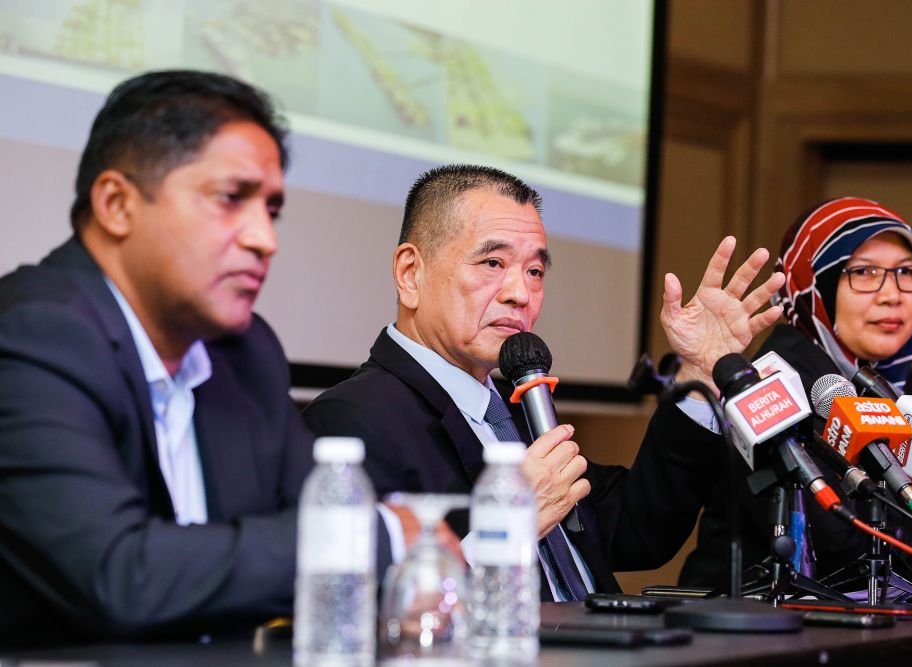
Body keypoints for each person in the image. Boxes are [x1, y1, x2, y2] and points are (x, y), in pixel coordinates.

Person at [0, 70, 400, 642]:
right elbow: (121, 576)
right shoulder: (32, 335)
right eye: (230, 199)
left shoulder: (246, 353)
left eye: (272, 210)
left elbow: (318, 524)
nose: (265, 239)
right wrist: (383, 534)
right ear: (116, 204)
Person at [303, 164, 786, 600]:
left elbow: (639, 531)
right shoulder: (351, 419)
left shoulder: (519, 411)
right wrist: (506, 525)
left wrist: (699, 373)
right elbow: (361, 607)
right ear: (411, 273)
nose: (520, 293)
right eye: (492, 263)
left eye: (534, 271)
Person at [679, 196, 912, 586]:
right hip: (750, 626)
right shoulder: (773, 381)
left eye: (908, 272)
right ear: (817, 284)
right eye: (864, 272)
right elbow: (835, 543)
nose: (892, 293)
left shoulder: (907, 387)